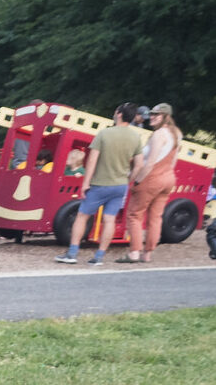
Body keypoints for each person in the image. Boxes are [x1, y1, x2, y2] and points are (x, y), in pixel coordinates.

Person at [54, 105, 148, 267]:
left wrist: (85, 183)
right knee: (109, 220)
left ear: (118, 114)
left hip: (100, 184)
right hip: (120, 185)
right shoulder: (135, 137)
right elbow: (139, 165)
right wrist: (129, 180)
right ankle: (99, 257)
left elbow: (92, 160)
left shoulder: (104, 133)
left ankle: (72, 253)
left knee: (82, 216)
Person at [121, 103, 182, 265]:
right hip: (168, 177)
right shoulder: (176, 134)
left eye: (156, 114)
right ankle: (147, 254)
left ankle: (134, 252)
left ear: (165, 117)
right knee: (155, 218)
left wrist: (138, 180)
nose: (151, 117)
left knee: (135, 215)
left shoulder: (158, 135)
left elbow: (149, 162)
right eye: (152, 114)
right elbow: (173, 161)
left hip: (152, 177)